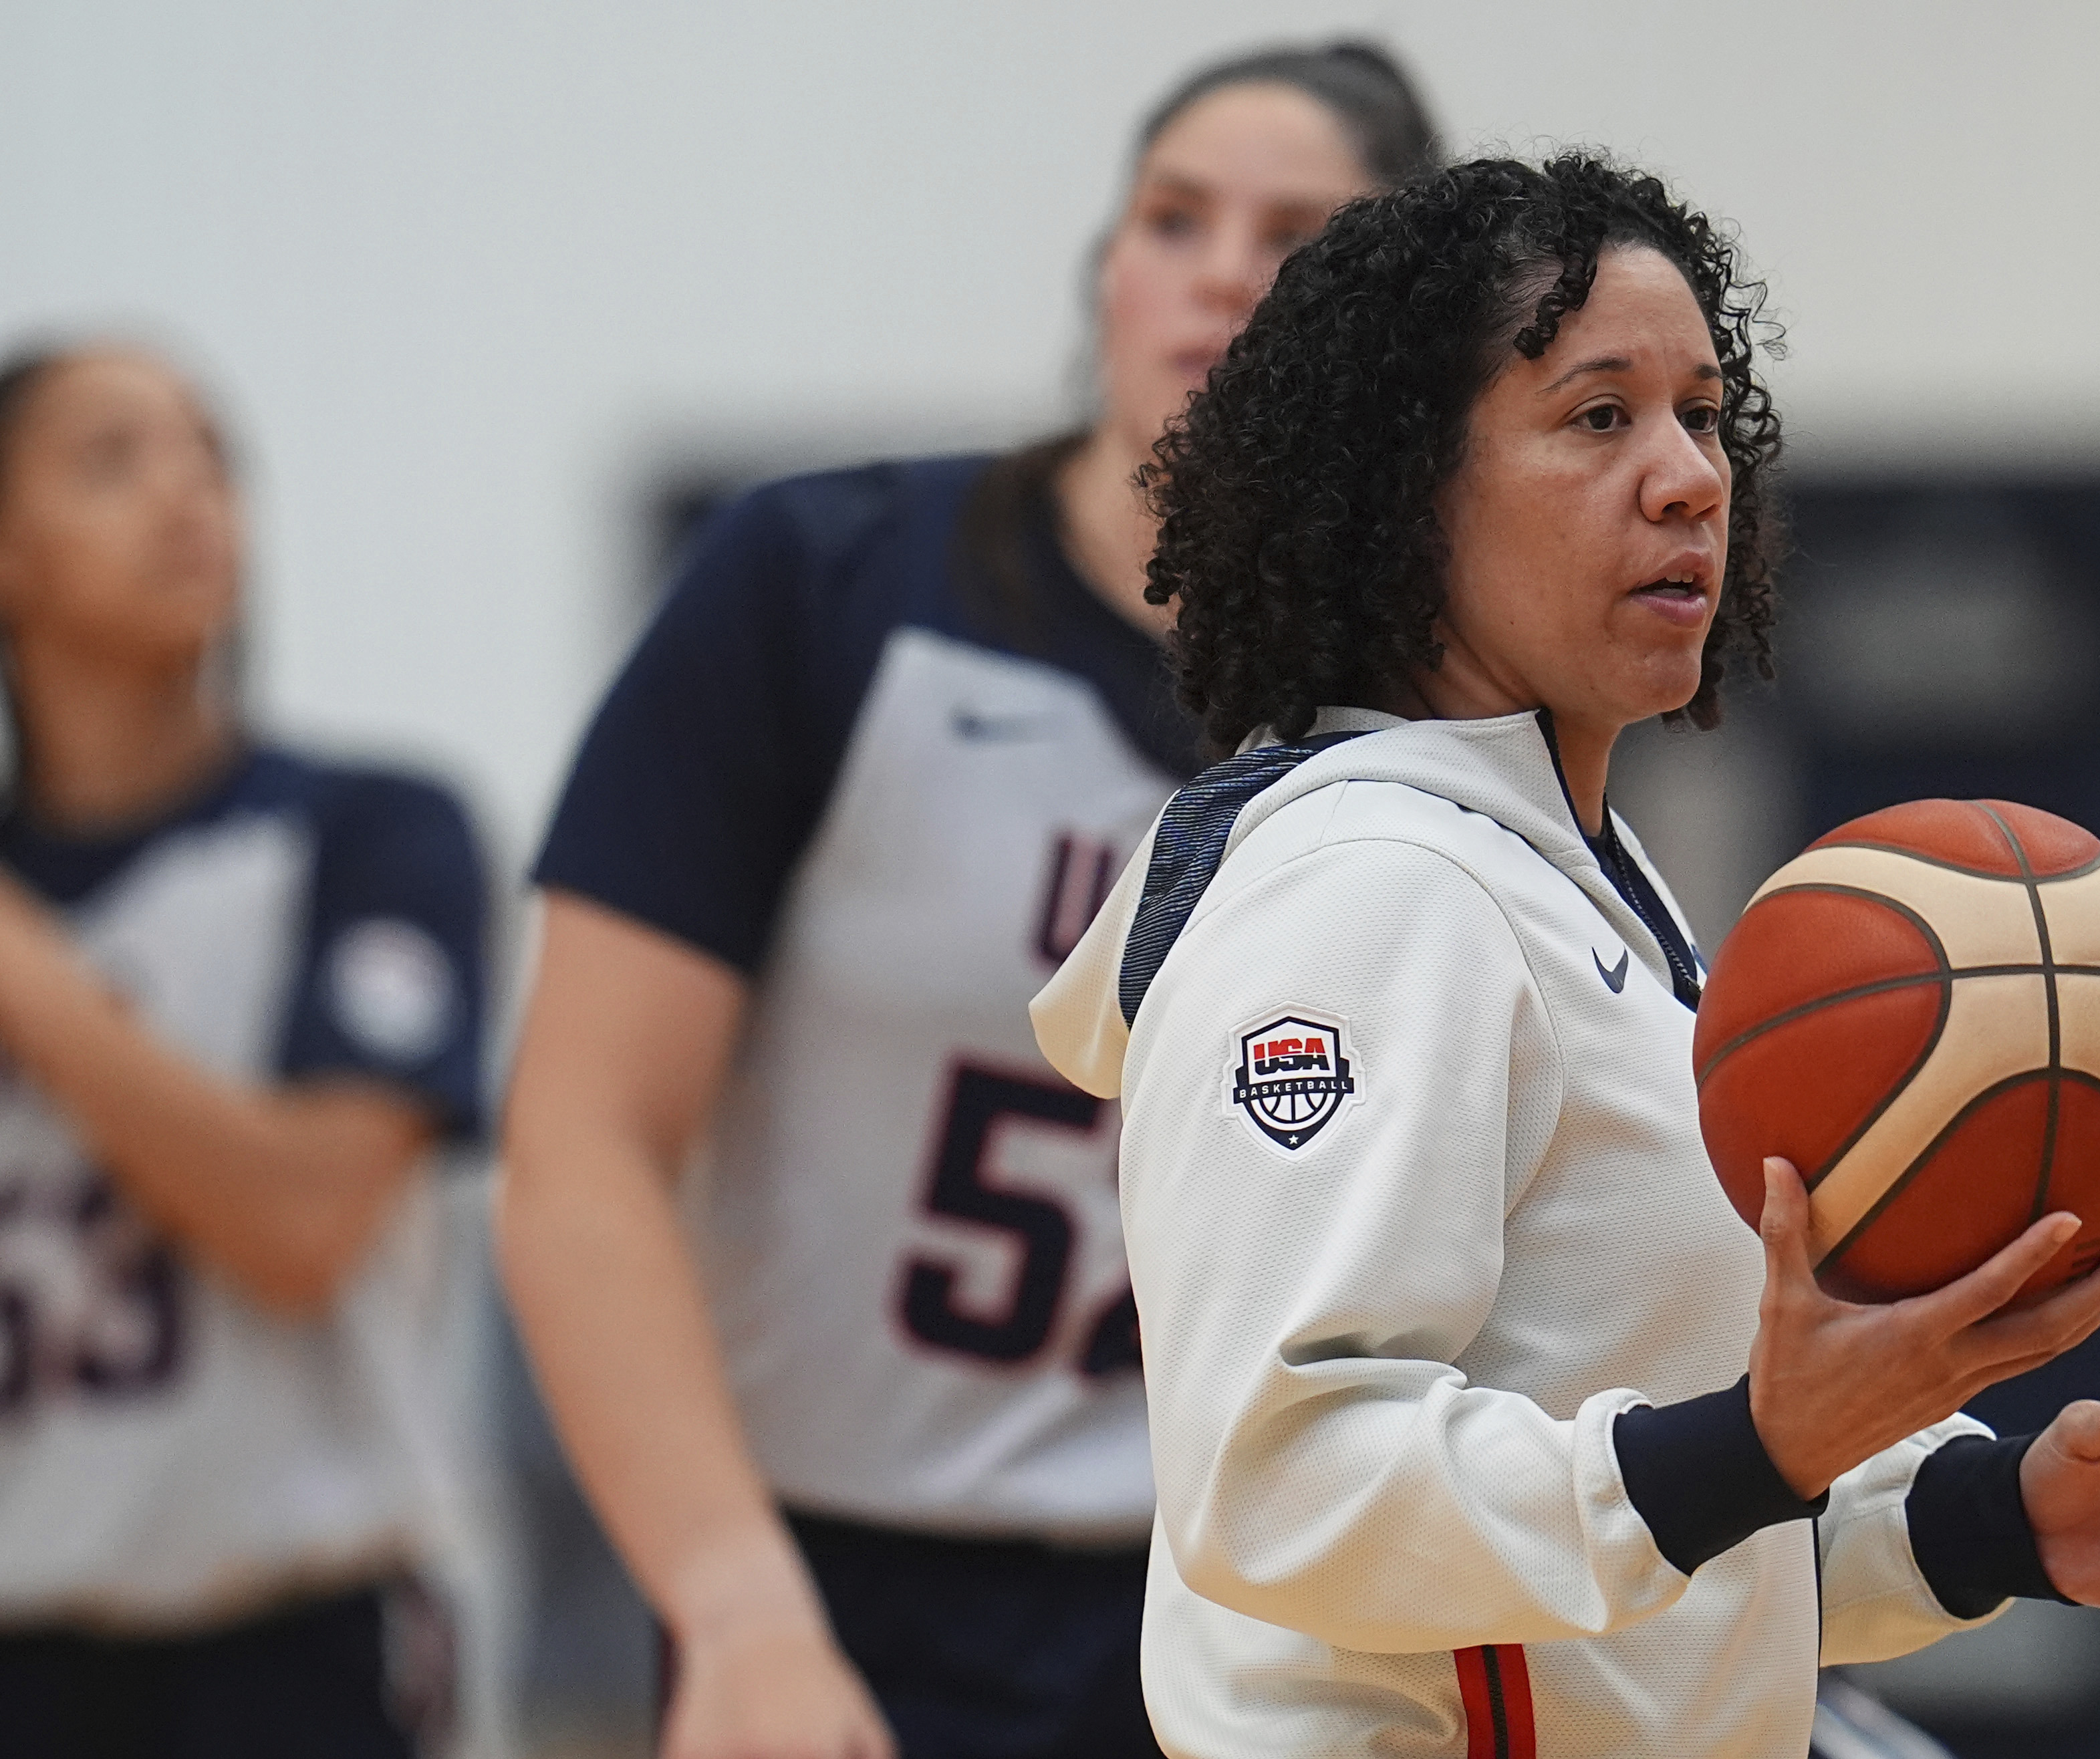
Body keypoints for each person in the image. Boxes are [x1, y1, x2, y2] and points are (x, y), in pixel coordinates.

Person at [1030, 154, 2100, 1758]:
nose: (1688, 478)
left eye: (1706, 415)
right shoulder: (1370, 892)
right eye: (1600, 417)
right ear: (1402, 488)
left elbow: (1656, 1546)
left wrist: (2007, 1513)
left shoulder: (1575, 873)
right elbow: (1288, 1486)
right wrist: (1753, 1442)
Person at [495, 41, 1438, 1759]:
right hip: (848, 1588)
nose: (1221, 265)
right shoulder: (821, 587)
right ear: (1107, 274)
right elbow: (576, 1143)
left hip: (1284, 1611)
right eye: (1173, 216)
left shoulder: (1445, 706)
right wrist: (734, 1606)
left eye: (1292, 232)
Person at [0, 343, 490, 1755]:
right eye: (110, 457)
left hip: (299, 1640)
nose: (182, 491)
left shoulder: (372, 828)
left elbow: (303, 1214)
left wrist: (32, 975)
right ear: (11, 556)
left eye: (208, 453)